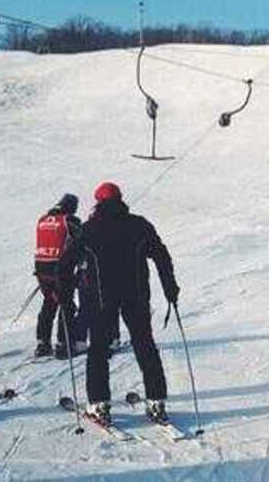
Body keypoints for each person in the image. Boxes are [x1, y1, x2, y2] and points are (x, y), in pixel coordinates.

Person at [59, 181, 180, 426]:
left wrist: (64, 294)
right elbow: (161, 255)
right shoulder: (139, 225)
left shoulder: (90, 228)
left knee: (99, 350)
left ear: (98, 202)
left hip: (101, 298)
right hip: (136, 296)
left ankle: (99, 404)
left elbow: (65, 261)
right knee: (144, 344)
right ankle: (156, 401)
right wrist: (170, 288)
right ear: (121, 199)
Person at [33, 194, 86, 359]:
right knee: (66, 305)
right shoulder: (70, 221)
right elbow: (82, 242)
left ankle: (43, 342)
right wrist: (82, 267)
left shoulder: (43, 219)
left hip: (41, 267)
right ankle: (64, 344)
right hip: (61, 268)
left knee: (49, 303)